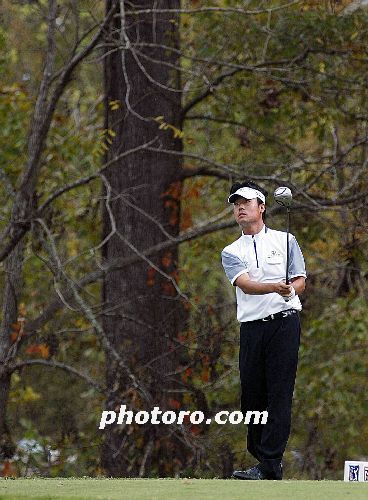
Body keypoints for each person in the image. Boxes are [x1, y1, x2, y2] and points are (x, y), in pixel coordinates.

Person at [221, 181, 306, 480]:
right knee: (252, 399)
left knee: (279, 394)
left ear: (262, 207)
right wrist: (275, 287)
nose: (240, 207)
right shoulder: (231, 251)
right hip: (253, 329)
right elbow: (245, 284)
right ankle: (264, 460)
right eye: (236, 204)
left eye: (246, 202)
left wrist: (288, 291)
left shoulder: (286, 240)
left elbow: (300, 280)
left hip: (284, 324)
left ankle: (269, 464)